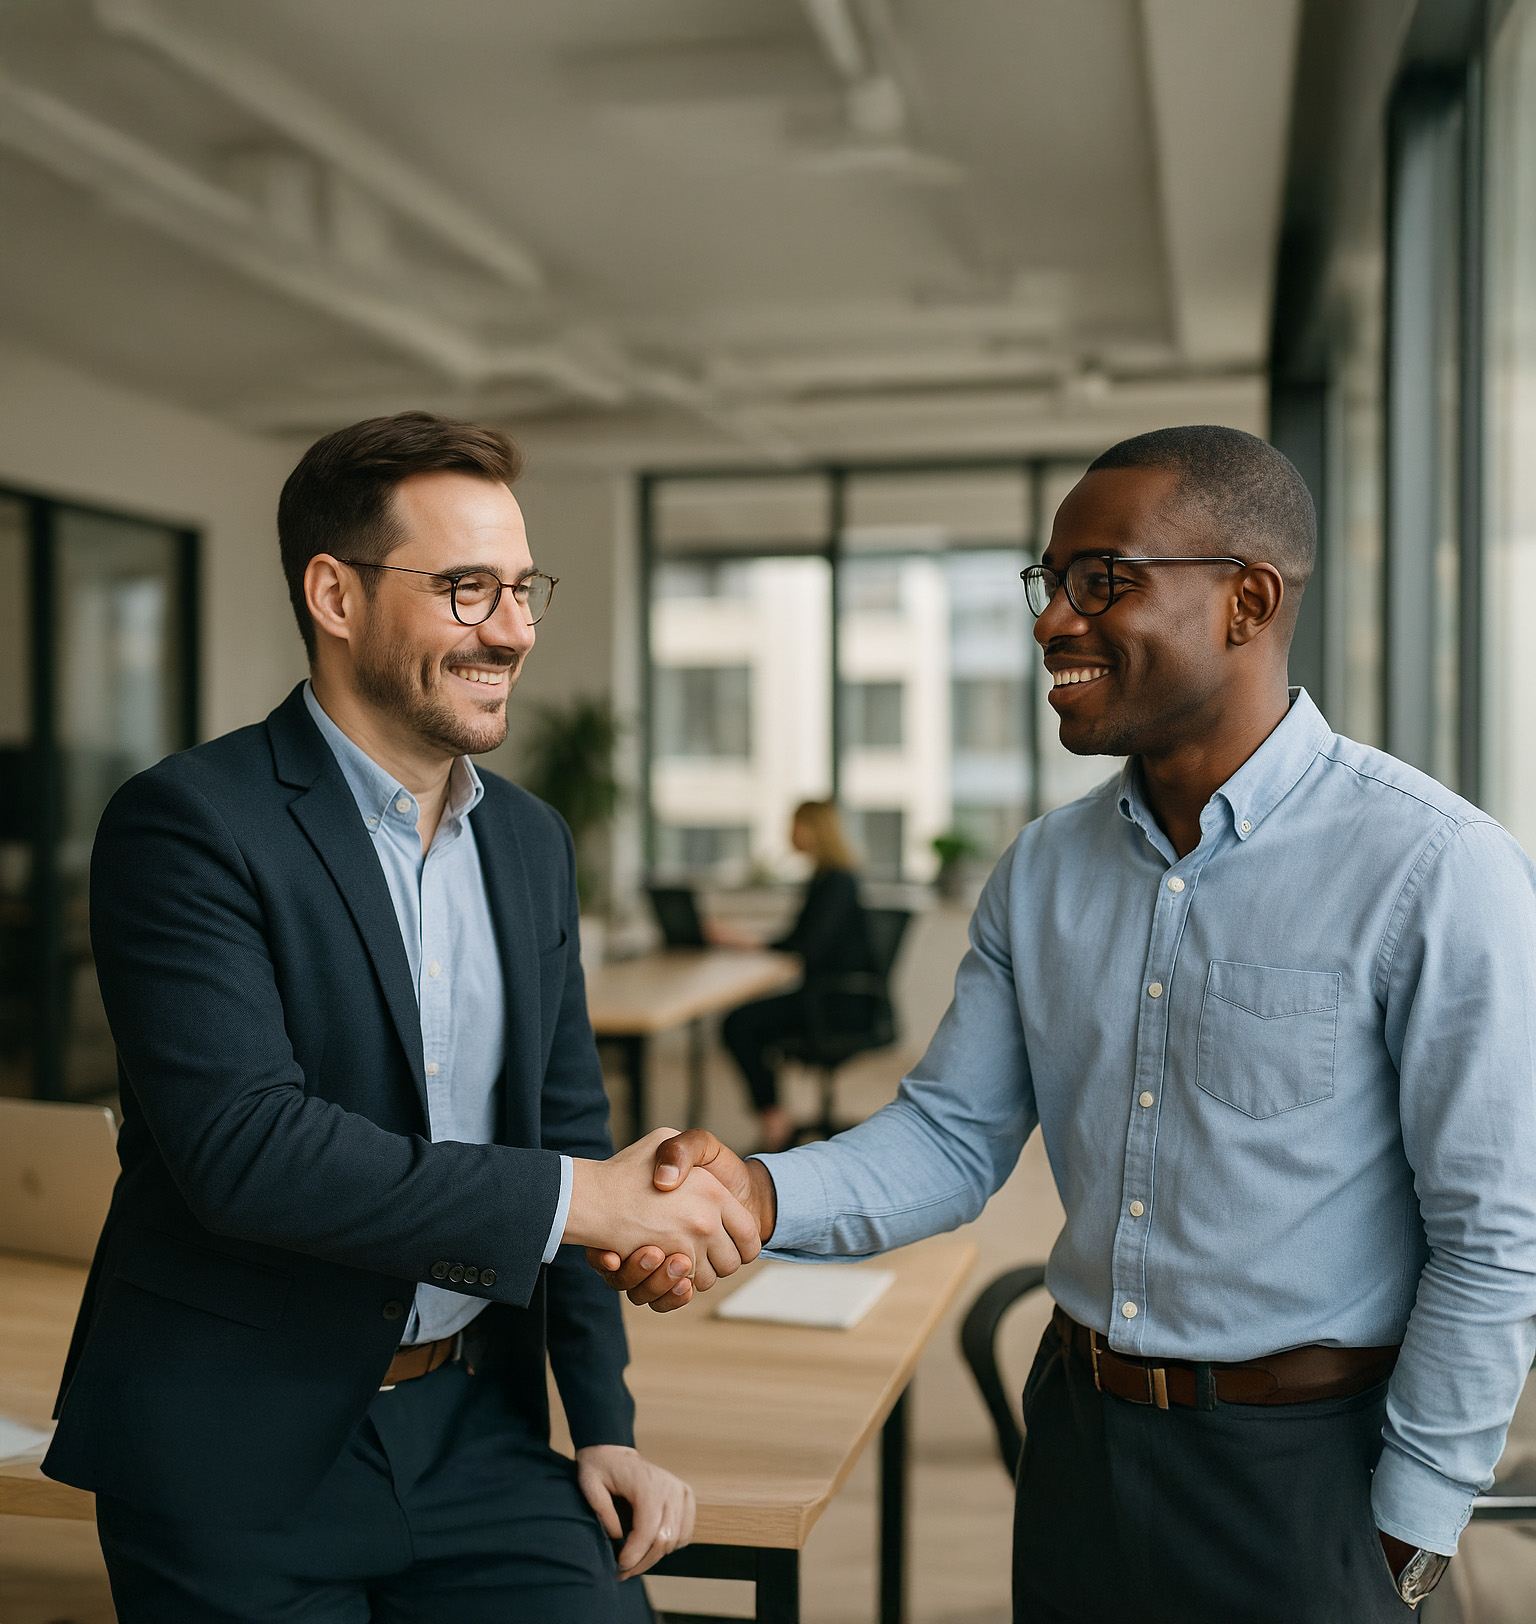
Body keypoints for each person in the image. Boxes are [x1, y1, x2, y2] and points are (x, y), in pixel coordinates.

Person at [593, 425, 1536, 1622]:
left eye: (1102, 579)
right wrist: (757, 1192)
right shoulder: (1041, 870)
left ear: (1246, 601)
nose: (1051, 621)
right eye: (1051, 581)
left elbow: (1494, 1231)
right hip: (1081, 1449)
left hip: (1309, 1475)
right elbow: (950, 1138)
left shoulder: (1434, 866)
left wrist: (1412, 1525)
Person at [44, 412, 760, 1624]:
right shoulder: (188, 823)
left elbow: (567, 1124)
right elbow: (248, 1150)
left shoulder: (529, 840)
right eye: (467, 588)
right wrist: (587, 1201)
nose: (513, 630)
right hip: (232, 1444)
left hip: (476, 1425)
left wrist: (605, 1424)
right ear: (335, 594)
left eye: (522, 589)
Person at [711, 800, 874, 1150]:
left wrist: (751, 942)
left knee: (739, 1024)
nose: (791, 834)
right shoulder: (827, 879)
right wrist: (752, 942)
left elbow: (806, 947)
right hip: (830, 998)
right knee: (745, 1021)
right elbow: (802, 941)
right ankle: (774, 1114)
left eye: (796, 825)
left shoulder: (837, 882)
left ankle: (774, 1117)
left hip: (836, 1005)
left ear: (816, 830)